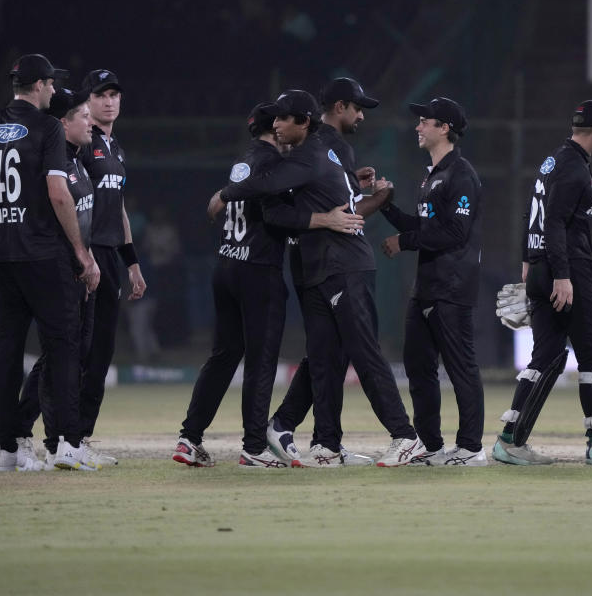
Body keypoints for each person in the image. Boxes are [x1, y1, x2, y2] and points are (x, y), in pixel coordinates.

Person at [216, 89, 425, 468]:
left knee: (362, 352)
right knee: (325, 357)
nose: (276, 125)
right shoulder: (319, 152)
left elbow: (264, 186)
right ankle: (326, 444)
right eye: (274, 119)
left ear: (305, 122)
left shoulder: (310, 154)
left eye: (283, 119)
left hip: (343, 264)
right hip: (321, 266)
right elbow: (282, 210)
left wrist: (225, 193)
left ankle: (405, 437)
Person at [171, 103, 359, 469]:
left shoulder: (242, 162)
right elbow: (277, 214)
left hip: (225, 264)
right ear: (274, 131)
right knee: (261, 362)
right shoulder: (274, 164)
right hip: (258, 271)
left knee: (223, 356)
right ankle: (254, 446)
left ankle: (189, 438)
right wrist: (326, 218)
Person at [0, 53, 99, 472]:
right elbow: (59, 194)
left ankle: (6, 449)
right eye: (51, 86)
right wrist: (80, 251)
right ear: (41, 86)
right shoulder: (47, 127)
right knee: (62, 346)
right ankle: (68, 444)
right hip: (43, 252)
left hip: (2, 252)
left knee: (6, 352)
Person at [495, 100, 592, 466]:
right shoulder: (575, 168)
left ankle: (510, 442)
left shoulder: (553, 160)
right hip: (569, 271)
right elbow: (556, 222)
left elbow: (533, 211)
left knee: (547, 356)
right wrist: (562, 276)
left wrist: (529, 260)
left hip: (542, 266)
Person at [265, 77, 391, 467]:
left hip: (310, 259)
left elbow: (322, 194)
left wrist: (356, 184)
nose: (360, 116)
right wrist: (379, 198)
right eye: (357, 108)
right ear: (339, 107)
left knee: (327, 352)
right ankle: (306, 433)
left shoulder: (319, 146)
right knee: (331, 353)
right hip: (326, 262)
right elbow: (344, 216)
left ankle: (323, 442)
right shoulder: (332, 144)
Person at [379, 97, 486, 466]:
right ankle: (431, 446)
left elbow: (455, 233)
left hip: (453, 288)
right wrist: (385, 205)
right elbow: (423, 227)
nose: (418, 126)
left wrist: (403, 242)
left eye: (425, 121)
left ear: (445, 128)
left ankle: (471, 448)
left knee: (461, 369)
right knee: (419, 369)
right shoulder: (432, 175)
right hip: (426, 287)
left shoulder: (461, 174)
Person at [15, 87, 99, 470]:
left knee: (66, 355)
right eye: (84, 115)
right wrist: (78, 260)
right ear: (63, 123)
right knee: (58, 356)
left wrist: (89, 258)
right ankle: (54, 440)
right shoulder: (53, 163)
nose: (91, 121)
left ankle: (54, 438)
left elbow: (81, 218)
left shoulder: (78, 161)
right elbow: (57, 217)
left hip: (80, 268)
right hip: (60, 269)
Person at [78, 69, 147, 466]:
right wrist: (80, 254)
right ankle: (23, 431)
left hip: (109, 257)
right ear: (87, 101)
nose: (109, 101)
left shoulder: (115, 148)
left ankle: (80, 437)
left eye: (115, 94)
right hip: (85, 254)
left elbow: (117, 207)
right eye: (101, 94)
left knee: (101, 351)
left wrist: (132, 263)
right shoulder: (81, 143)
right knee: (72, 349)